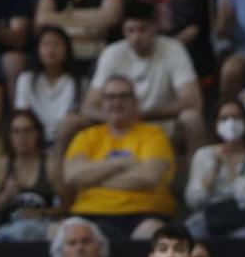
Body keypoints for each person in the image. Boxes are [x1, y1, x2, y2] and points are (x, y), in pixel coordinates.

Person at [82, 2, 205, 162]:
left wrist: (144, 115)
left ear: (154, 28)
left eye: (142, 29)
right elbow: (88, 106)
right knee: (74, 122)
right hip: (118, 127)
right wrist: (118, 118)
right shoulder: (112, 53)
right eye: (131, 30)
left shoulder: (173, 48)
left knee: (192, 119)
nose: (136, 37)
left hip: (163, 125)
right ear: (123, 31)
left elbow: (193, 101)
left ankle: (194, 181)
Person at [64, 75, 175, 240]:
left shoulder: (154, 135)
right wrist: (121, 164)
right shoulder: (86, 137)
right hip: (90, 212)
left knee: (154, 231)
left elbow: (149, 177)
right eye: (110, 97)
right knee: (60, 232)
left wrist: (94, 178)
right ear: (102, 103)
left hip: (143, 212)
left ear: (135, 102)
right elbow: (72, 176)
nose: (117, 102)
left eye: (124, 96)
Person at [184, 98, 245, 238]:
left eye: (236, 117)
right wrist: (215, 168)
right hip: (210, 219)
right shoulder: (203, 154)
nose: (231, 123)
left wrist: (231, 166)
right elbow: (193, 200)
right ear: (216, 124)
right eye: (224, 118)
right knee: (191, 233)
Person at [0, 110, 66, 242]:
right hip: (6, 231)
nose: (22, 136)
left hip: (44, 229)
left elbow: (67, 205)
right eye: (16, 131)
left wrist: (41, 213)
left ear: (38, 134)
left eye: (27, 130)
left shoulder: (51, 166)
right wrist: (5, 196)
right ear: (9, 136)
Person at [14, 27, 87, 147]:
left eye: (57, 44)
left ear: (67, 50)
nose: (51, 49)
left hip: (68, 138)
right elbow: (23, 113)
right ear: (38, 50)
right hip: (35, 139)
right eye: (46, 44)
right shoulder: (26, 79)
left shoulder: (79, 82)